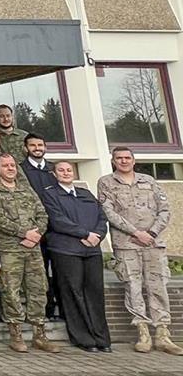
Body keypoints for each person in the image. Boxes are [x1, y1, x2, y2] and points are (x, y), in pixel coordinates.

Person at [98, 147, 182, 355]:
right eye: (119, 158)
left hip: (153, 243)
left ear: (134, 160)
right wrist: (136, 232)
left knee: (158, 286)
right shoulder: (106, 182)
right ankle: (143, 333)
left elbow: (164, 209)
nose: (124, 161)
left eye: (127, 158)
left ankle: (163, 334)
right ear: (113, 161)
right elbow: (109, 212)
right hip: (127, 244)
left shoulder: (149, 181)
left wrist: (151, 233)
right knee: (133, 286)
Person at [0, 152, 59, 353]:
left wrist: (36, 234)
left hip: (33, 249)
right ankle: (15, 333)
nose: (10, 168)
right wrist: (22, 233)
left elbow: (42, 213)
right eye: (6, 165)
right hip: (10, 249)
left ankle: (39, 334)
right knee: (11, 291)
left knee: (38, 289)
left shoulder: (26, 190)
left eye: (12, 165)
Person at [42, 161, 111, 353]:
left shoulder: (85, 193)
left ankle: (102, 338)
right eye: (61, 170)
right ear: (54, 174)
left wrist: (96, 235)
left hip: (92, 250)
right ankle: (83, 338)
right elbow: (57, 220)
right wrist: (84, 234)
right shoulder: (50, 194)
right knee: (73, 293)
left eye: (68, 170)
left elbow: (102, 217)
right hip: (66, 251)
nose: (65, 173)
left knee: (95, 294)